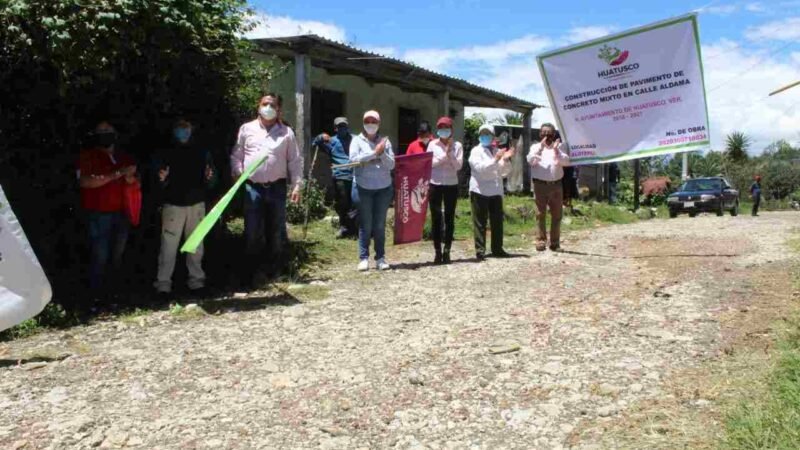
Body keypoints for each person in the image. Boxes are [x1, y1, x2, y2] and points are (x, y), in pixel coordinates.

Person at [231, 93, 304, 284]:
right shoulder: (247, 129)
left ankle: (275, 272)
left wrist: (296, 185)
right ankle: (254, 274)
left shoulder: (286, 133)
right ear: (258, 106)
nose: (268, 107)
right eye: (265, 104)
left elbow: (294, 161)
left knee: (276, 231)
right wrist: (239, 174)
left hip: (277, 188)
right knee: (252, 231)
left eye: (272, 105)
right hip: (252, 188)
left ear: (278, 109)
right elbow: (236, 156)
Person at [153, 118, 217, 295]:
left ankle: (197, 283)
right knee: (168, 247)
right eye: (180, 128)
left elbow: (212, 180)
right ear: (174, 130)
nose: (183, 131)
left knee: (196, 246)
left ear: (191, 129)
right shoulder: (165, 151)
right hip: (173, 205)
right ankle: (163, 285)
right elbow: (156, 180)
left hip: (196, 205)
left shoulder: (203, 151)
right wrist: (161, 178)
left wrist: (210, 177)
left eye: (186, 127)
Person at [77, 121, 138, 292]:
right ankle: (96, 296)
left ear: (115, 134)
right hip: (98, 215)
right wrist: (118, 173)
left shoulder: (123, 157)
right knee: (99, 257)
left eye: (108, 130)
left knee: (117, 256)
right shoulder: (88, 156)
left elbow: (134, 182)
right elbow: (86, 181)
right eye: (101, 131)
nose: (105, 133)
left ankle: (114, 294)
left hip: (122, 213)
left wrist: (130, 178)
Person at [350, 110, 395, 271]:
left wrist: (381, 154)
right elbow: (354, 160)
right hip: (363, 187)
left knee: (379, 224)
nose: (370, 124)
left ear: (378, 123)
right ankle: (363, 258)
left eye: (373, 121)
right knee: (365, 224)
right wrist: (374, 154)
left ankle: (380, 257)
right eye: (367, 121)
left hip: (383, 188)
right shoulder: (356, 140)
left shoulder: (385, 142)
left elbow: (391, 165)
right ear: (363, 123)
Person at [468, 124, 514, 261]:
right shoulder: (476, 151)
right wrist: (496, 159)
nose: (485, 136)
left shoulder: (497, 151)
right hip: (480, 189)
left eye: (488, 134)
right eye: (483, 134)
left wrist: (505, 160)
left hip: (495, 190)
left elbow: (505, 172)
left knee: (497, 222)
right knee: (480, 221)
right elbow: (480, 169)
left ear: (493, 136)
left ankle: (497, 248)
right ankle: (480, 250)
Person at [528, 123, 570, 252]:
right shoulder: (535, 147)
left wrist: (557, 150)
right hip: (540, 185)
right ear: (540, 134)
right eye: (544, 133)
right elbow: (531, 161)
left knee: (557, 215)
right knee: (540, 214)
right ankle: (541, 241)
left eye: (549, 133)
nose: (547, 136)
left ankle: (555, 243)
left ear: (554, 134)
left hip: (556, 185)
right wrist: (540, 148)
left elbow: (566, 162)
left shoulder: (560, 146)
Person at [312, 117, 357, 238]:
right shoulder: (331, 141)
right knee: (343, 203)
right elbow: (314, 143)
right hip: (340, 176)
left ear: (348, 127)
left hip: (355, 175)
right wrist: (321, 136)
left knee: (355, 203)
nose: (342, 128)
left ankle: (354, 228)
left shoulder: (355, 139)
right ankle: (344, 228)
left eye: (344, 126)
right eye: (340, 126)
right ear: (335, 128)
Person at [427, 116, 463, 264]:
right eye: (441, 128)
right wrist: (444, 156)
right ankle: (437, 252)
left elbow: (458, 166)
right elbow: (430, 164)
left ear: (451, 130)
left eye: (446, 128)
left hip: (451, 184)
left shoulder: (458, 146)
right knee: (436, 218)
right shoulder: (432, 144)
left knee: (449, 217)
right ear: (437, 130)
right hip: (435, 184)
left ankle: (447, 250)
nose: (444, 131)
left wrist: (450, 154)